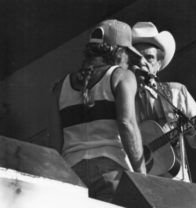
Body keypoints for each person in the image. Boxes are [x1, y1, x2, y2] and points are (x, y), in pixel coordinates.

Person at [48, 19, 146, 202]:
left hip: (72, 176)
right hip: (111, 172)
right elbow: (127, 124)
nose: (127, 61)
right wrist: (142, 175)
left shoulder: (60, 87)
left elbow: (55, 143)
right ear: (118, 52)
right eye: (127, 54)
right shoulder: (122, 76)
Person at [131, 22, 196, 182]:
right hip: (135, 183)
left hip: (176, 182)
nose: (142, 62)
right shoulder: (117, 97)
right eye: (136, 57)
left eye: (149, 57)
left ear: (158, 64)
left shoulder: (176, 93)